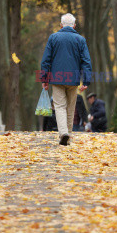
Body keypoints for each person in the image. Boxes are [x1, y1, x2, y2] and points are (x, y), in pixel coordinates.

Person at [40, 13, 92, 145]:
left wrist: (44, 79)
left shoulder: (53, 38)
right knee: (70, 107)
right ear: (74, 26)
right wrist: (86, 81)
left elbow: (46, 61)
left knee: (59, 106)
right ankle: (68, 135)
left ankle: (63, 133)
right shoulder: (80, 40)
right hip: (73, 79)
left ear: (61, 25)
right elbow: (86, 61)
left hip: (57, 79)